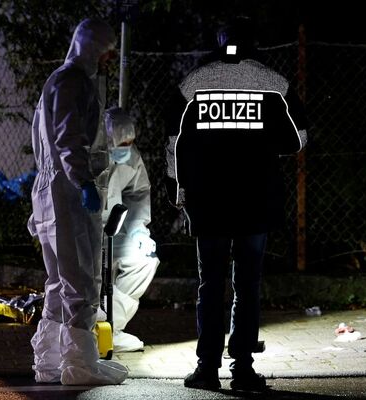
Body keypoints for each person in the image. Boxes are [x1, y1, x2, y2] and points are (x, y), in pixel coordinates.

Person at [165, 16, 308, 392]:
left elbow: (174, 140)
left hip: (207, 201)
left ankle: (207, 368)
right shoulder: (273, 82)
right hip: (254, 200)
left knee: (210, 284)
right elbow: (298, 138)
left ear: (219, 42)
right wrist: (263, 145)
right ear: (252, 42)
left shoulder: (195, 82)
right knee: (247, 284)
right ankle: (242, 369)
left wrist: (178, 187)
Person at [27, 18, 128, 385]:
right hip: (68, 193)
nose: (108, 60)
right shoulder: (74, 82)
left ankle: (51, 360)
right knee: (81, 279)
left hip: (49, 189)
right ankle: (79, 364)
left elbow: (46, 141)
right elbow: (70, 138)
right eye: (106, 52)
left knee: (58, 280)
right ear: (93, 48)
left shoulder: (56, 80)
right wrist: (84, 181)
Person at [96, 107, 160, 352]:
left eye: (130, 142)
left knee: (144, 261)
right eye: (122, 143)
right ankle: (84, 333)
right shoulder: (89, 156)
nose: (127, 148)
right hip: (83, 230)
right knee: (87, 278)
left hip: (113, 229)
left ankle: (110, 329)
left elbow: (138, 193)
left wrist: (138, 230)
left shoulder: (130, 157)